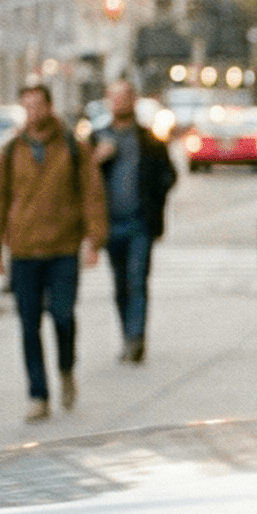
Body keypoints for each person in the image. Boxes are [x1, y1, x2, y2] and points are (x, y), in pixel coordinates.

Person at [0, 84, 106, 422]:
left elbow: (91, 192)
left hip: (63, 247)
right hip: (24, 249)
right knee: (28, 324)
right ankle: (38, 393)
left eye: (38, 105)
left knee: (63, 315)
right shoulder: (11, 151)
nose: (33, 113)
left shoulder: (72, 146)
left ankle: (66, 369)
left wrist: (95, 240)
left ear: (50, 107)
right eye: (27, 107)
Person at [91, 79, 176, 365]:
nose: (120, 103)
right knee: (119, 283)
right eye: (114, 98)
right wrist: (97, 159)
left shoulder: (147, 139)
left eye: (124, 97)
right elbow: (82, 180)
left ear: (133, 100)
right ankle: (127, 335)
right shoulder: (99, 137)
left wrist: (153, 197)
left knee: (137, 280)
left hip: (140, 221)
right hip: (110, 223)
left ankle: (136, 338)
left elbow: (168, 175)